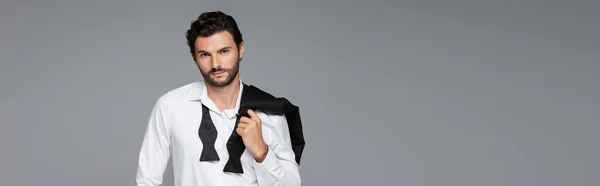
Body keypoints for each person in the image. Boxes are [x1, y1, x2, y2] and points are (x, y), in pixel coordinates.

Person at [135, 11, 303, 186]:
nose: (215, 64)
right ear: (195, 58)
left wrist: (262, 152)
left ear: (241, 49)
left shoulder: (271, 113)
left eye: (224, 51)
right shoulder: (170, 106)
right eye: (205, 54)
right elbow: (146, 180)